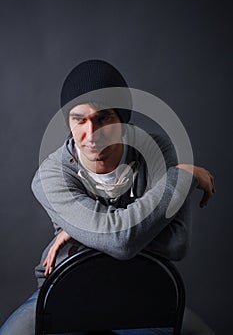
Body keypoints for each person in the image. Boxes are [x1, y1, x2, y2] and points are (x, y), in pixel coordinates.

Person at [0, 60, 215, 335]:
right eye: (79, 119)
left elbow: (176, 244)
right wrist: (181, 178)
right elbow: (122, 241)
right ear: (68, 121)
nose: (92, 135)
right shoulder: (50, 177)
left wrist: (87, 233)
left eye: (104, 118)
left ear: (122, 119)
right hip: (69, 289)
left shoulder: (158, 151)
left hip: (142, 288)